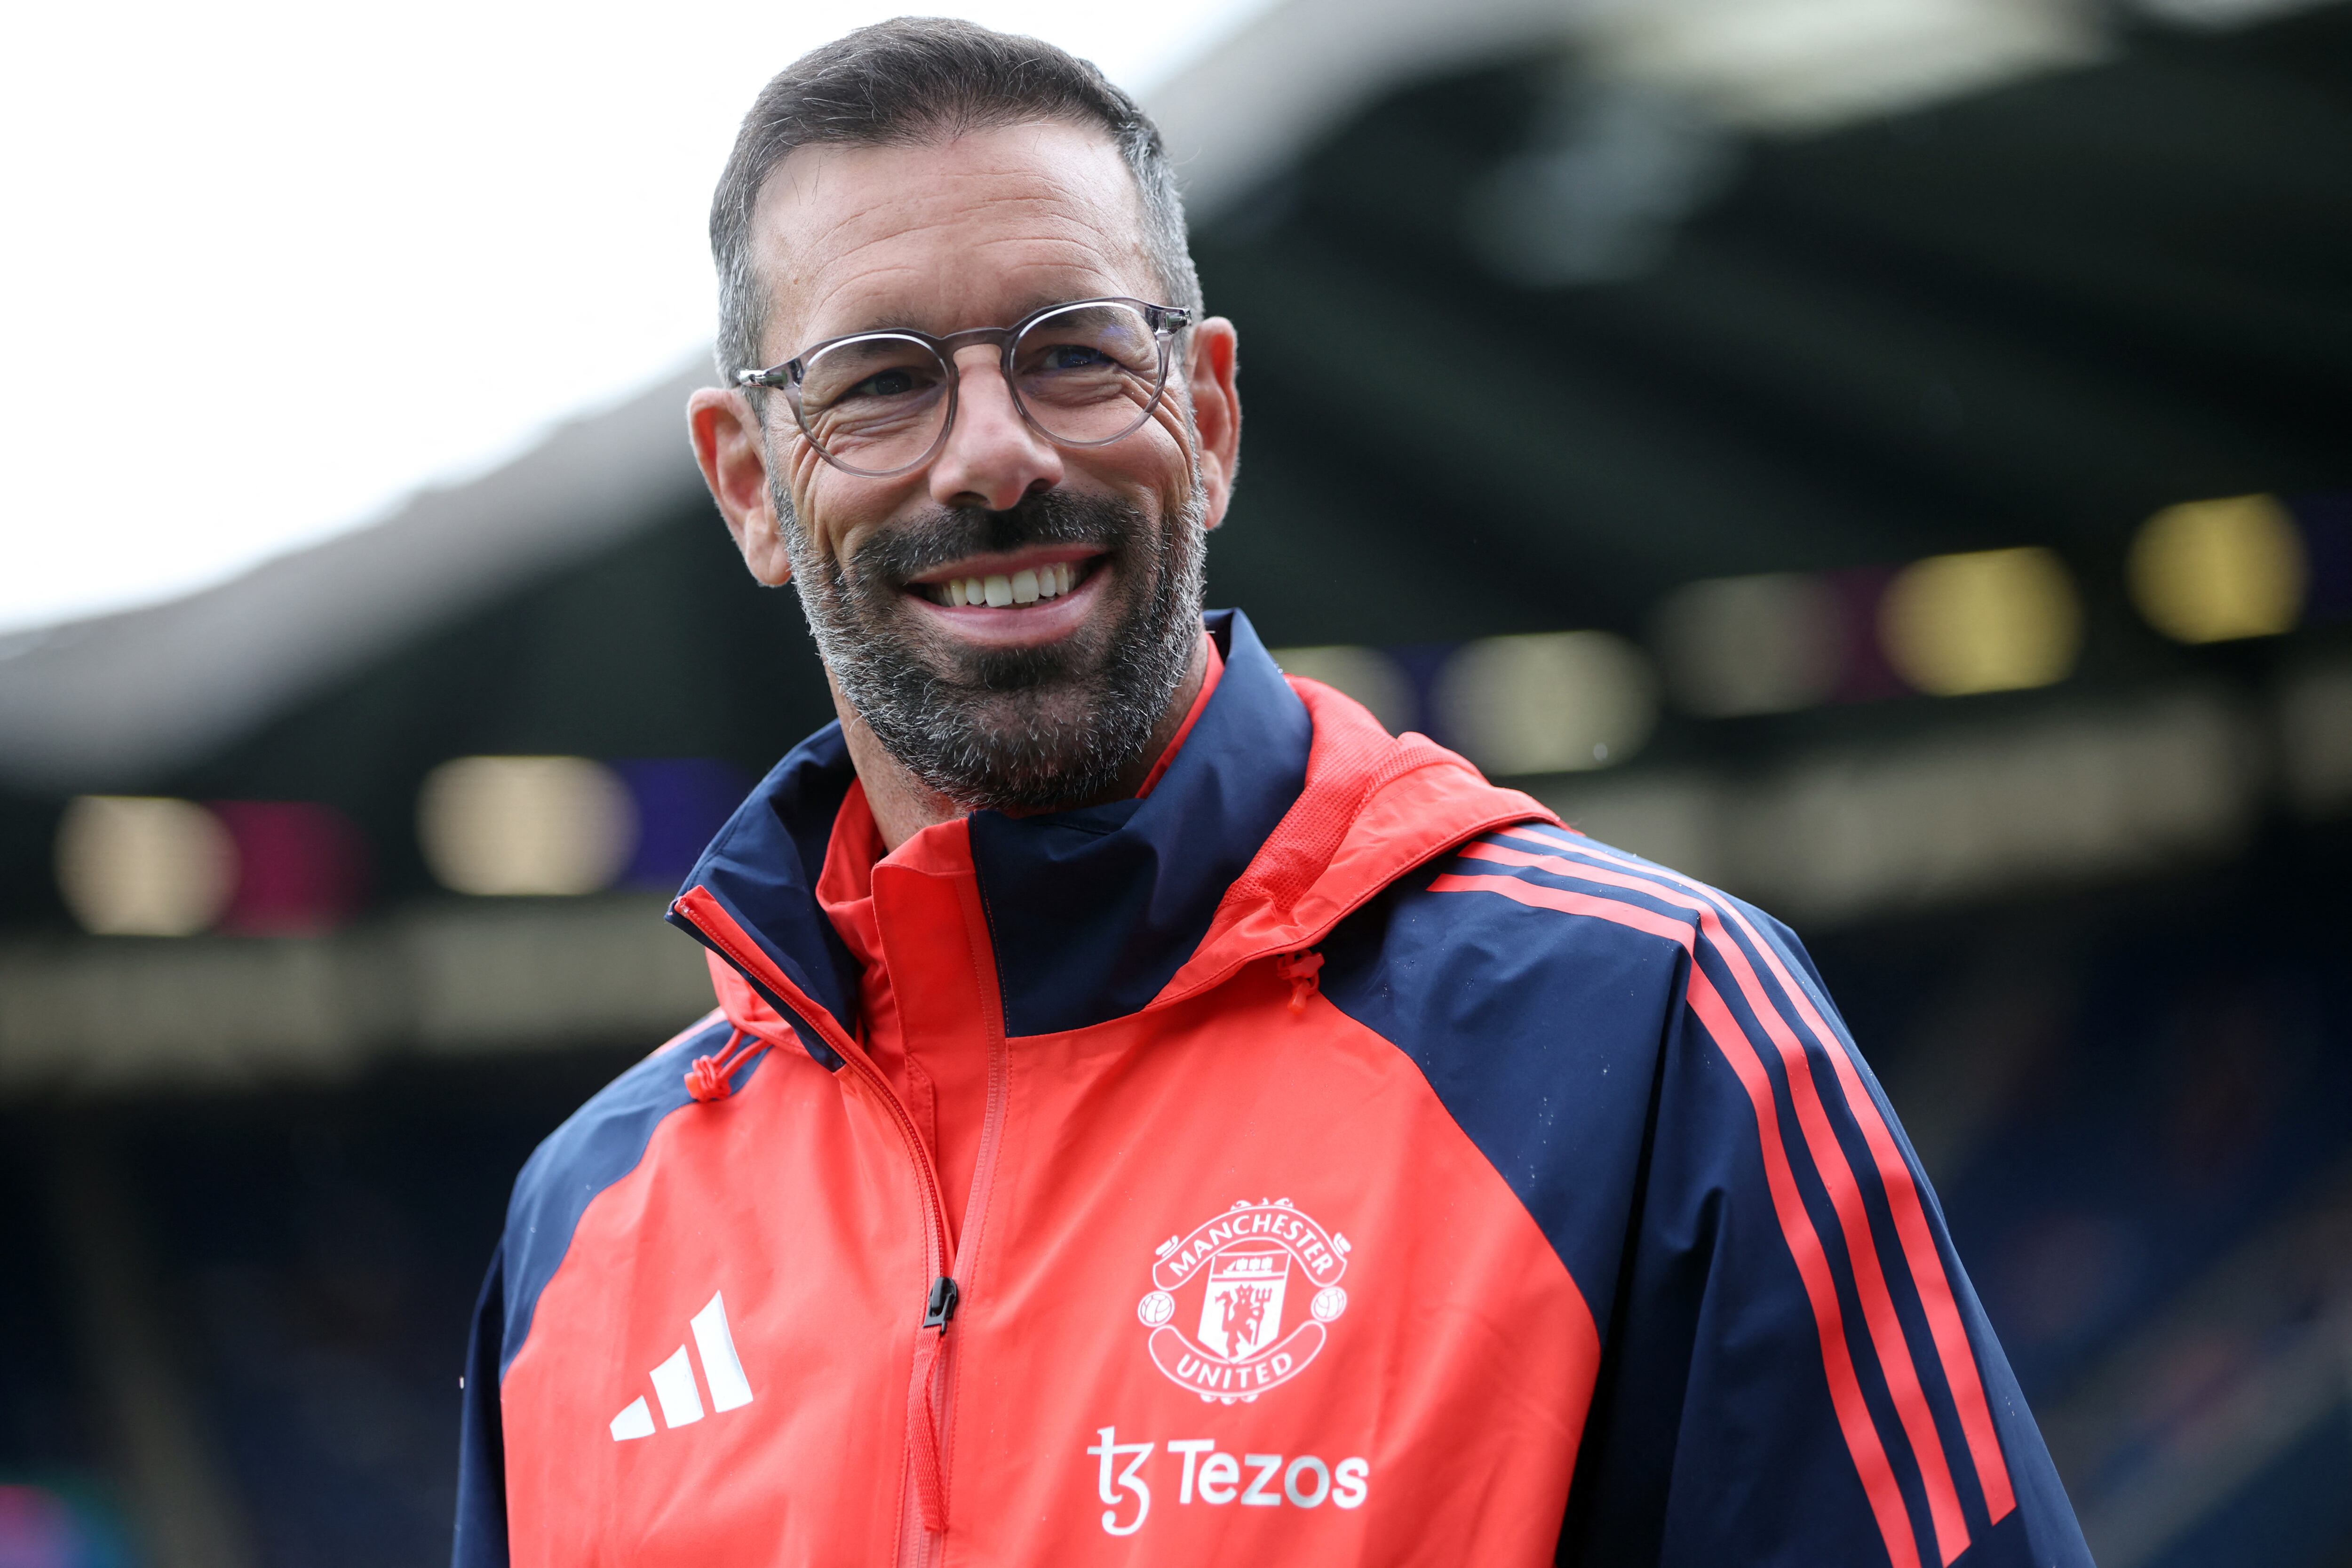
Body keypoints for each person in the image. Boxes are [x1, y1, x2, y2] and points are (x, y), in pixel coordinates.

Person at [452, 18, 2092, 1566]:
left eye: (1076, 353)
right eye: (878, 383)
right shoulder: (584, 1229)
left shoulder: (1649, 1028)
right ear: (749, 484)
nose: (990, 455)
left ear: (1212, 414)